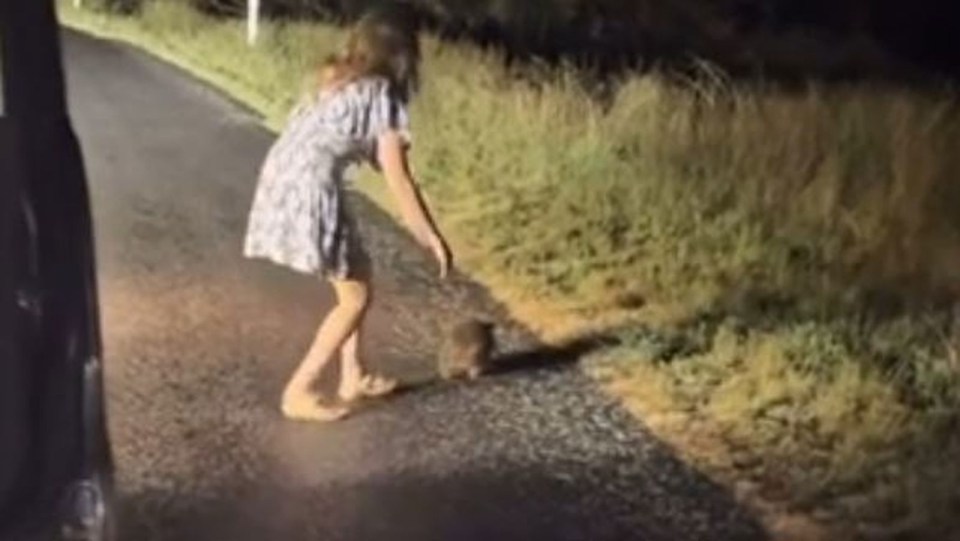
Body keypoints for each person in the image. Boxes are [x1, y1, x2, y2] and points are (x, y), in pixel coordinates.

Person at [243, 8, 452, 422]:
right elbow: (398, 178)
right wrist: (430, 236)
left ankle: (353, 374)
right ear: (402, 54)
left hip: (283, 170)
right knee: (354, 298)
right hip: (312, 182)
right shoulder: (381, 95)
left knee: (358, 270)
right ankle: (299, 390)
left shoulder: (336, 81)